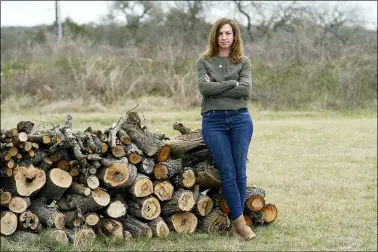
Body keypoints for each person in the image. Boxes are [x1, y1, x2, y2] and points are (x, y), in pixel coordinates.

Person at [196, 18, 255, 240]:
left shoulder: (244, 62)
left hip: (241, 120)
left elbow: (246, 90)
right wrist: (232, 84)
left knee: (240, 172)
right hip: (213, 121)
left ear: (234, 36)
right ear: (215, 36)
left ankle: (235, 226)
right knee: (228, 173)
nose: (224, 37)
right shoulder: (203, 61)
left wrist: (217, 87)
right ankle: (241, 224)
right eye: (221, 33)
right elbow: (204, 88)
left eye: (228, 33)